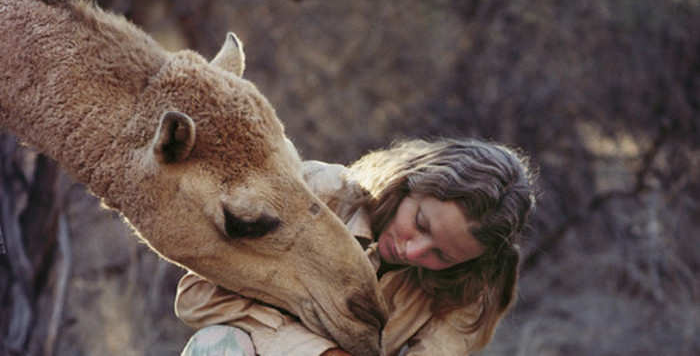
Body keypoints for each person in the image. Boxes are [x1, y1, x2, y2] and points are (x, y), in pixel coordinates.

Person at [175, 138, 537, 356]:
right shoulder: (320, 194)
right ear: (409, 182)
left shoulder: (469, 284)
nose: (414, 252)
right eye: (421, 223)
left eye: (441, 255)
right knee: (219, 345)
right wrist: (318, 352)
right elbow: (197, 296)